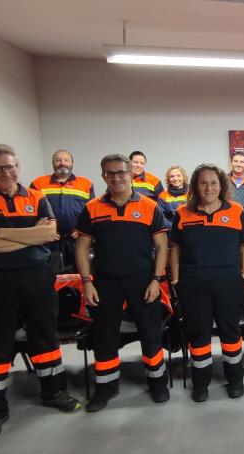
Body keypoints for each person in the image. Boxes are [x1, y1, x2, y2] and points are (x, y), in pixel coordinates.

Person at [0, 144, 81, 441]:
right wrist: (28, 236)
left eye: (11, 166)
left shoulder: (37, 197)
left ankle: (54, 392)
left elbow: (48, 233)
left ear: (19, 166)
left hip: (36, 276)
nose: (6, 172)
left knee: (45, 335)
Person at [75, 154, 170, 411]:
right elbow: (82, 248)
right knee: (105, 336)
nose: (116, 177)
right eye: (109, 173)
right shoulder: (92, 207)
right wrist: (86, 282)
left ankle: (157, 381)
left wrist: (156, 280)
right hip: (105, 281)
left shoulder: (150, 206)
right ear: (103, 175)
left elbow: (162, 247)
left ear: (131, 174)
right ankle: (106, 387)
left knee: (151, 333)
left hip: (143, 280)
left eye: (121, 172)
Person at [169, 164, 244, 402]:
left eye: (214, 182)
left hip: (228, 282)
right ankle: (201, 383)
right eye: (203, 182)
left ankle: (235, 379)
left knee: (230, 331)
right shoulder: (182, 213)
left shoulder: (236, 212)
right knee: (199, 335)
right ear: (195, 186)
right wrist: (175, 278)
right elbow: (175, 248)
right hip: (193, 284)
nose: (209, 187)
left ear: (221, 185)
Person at [29, 149, 95, 272]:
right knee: (51, 275)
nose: (62, 163)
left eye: (66, 160)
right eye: (58, 160)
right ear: (52, 163)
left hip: (76, 239)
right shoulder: (38, 183)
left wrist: (82, 229)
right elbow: (32, 211)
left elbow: (91, 211)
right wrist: (43, 229)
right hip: (49, 240)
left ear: (72, 163)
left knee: (79, 274)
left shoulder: (86, 183)